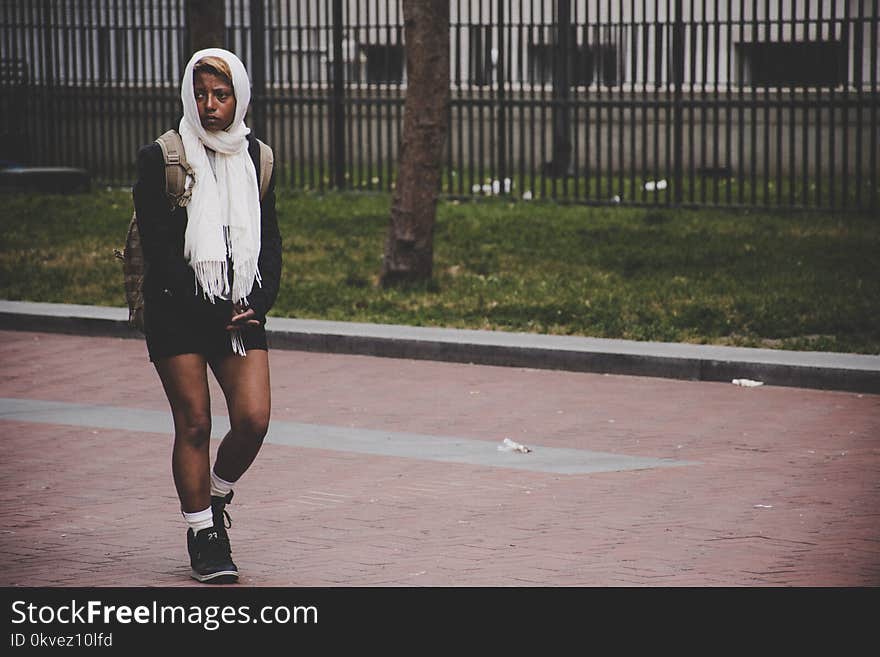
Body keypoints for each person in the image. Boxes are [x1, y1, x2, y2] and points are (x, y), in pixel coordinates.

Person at [133, 48, 281, 584]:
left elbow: (271, 246)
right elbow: (160, 252)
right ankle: (202, 533)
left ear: (239, 97)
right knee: (194, 422)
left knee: (253, 420)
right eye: (201, 94)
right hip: (178, 312)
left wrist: (256, 304)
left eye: (221, 95)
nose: (210, 104)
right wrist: (212, 303)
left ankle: (215, 496)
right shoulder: (161, 158)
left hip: (238, 311)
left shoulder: (256, 157)